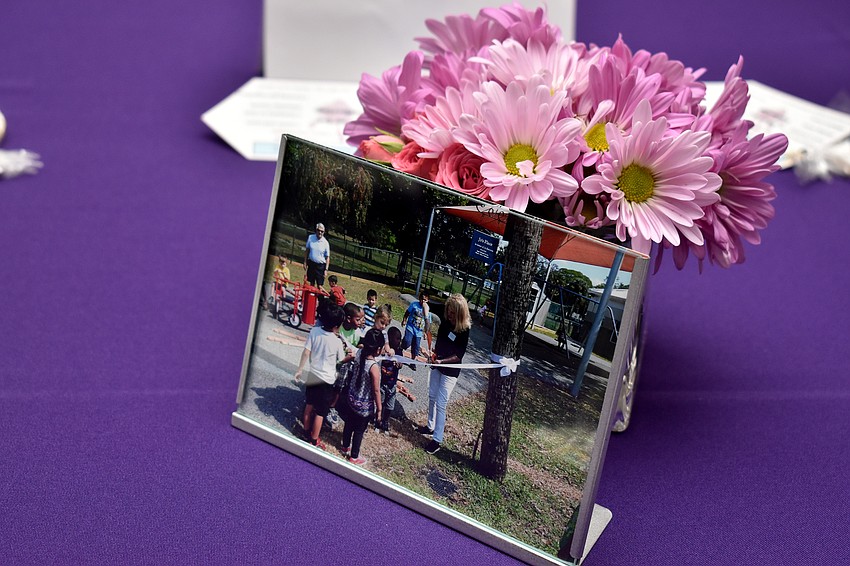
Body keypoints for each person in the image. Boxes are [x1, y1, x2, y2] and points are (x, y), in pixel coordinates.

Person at [416, 293, 471, 455]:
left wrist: (442, 361)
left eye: (453, 313)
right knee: (432, 395)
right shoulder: (446, 321)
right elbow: (440, 340)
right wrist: (433, 353)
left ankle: (437, 440)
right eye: (448, 311)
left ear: (460, 314)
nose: (449, 315)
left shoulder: (465, 329)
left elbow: (458, 355)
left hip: (450, 370)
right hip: (437, 363)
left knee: (441, 402)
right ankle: (430, 426)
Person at [293, 305, 351, 449]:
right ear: (337, 326)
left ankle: (305, 431)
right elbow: (341, 359)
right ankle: (314, 440)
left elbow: (306, 352)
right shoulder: (337, 341)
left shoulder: (314, 331)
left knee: (309, 405)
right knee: (320, 412)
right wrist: (350, 356)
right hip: (326, 381)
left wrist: (299, 370)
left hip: (313, 375)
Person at [340, 328, 384, 465]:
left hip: (352, 398)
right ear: (378, 349)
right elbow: (376, 391)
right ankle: (354, 456)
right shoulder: (374, 367)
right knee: (359, 430)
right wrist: (379, 409)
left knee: (348, 423)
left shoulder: (359, 353)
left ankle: (345, 446)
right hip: (363, 406)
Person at [377, 326, 404, 434]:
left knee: (390, 405)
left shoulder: (399, 351)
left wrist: (399, 364)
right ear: (390, 339)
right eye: (397, 338)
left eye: (400, 339)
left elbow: (401, 363)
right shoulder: (384, 350)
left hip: (392, 384)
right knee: (381, 402)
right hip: (382, 382)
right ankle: (377, 420)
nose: (399, 341)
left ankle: (385, 421)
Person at [401, 291, 432, 369]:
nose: (423, 301)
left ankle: (413, 362)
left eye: (425, 300)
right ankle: (400, 349)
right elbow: (407, 313)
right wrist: (404, 320)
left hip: (419, 331)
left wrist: (426, 332)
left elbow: (428, 323)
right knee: (407, 341)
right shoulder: (414, 304)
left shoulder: (427, 310)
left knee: (416, 347)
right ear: (419, 298)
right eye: (421, 299)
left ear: (427, 300)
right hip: (410, 327)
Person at [303, 223, 330, 288]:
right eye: (318, 230)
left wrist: (326, 270)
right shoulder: (310, 238)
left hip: (320, 266)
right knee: (311, 283)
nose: (320, 232)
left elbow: (327, 257)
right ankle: (310, 297)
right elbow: (307, 251)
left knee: (319, 285)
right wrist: (305, 262)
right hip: (311, 264)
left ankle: (319, 298)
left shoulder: (325, 243)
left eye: (322, 231)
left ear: (324, 232)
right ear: (316, 230)